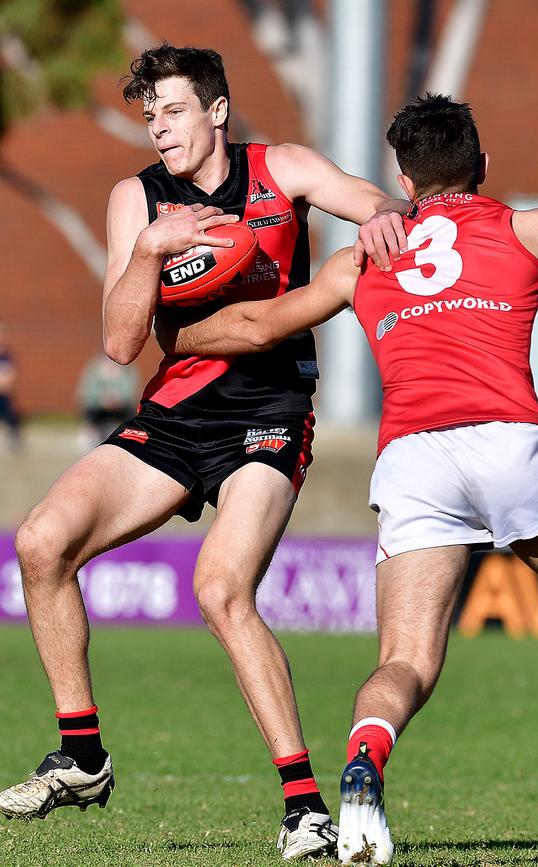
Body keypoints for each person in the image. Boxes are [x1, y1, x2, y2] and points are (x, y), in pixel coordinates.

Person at [153, 93, 538, 866]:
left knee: (406, 662)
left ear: (405, 182)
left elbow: (256, 326)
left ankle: (364, 762)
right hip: (507, 441)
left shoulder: (361, 261)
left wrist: (172, 329)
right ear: (482, 168)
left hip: (414, 460)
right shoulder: (531, 225)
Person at [0, 44, 409, 860]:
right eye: (150, 114)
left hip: (270, 413)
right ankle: (82, 756)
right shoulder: (136, 199)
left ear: (217, 110)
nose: (160, 127)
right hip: (177, 413)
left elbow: (361, 198)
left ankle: (304, 808)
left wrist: (378, 212)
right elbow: (119, 345)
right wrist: (152, 248)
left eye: (175, 109)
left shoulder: (279, 168)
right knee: (41, 543)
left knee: (221, 587)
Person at [76, 353, 139, 449]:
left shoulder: (127, 371)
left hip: (121, 408)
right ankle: (90, 436)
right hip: (98, 408)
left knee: (131, 414)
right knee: (91, 412)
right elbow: (86, 392)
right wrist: (101, 399)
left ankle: (129, 440)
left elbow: (130, 392)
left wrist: (118, 399)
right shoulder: (94, 370)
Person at [0, 322, 21, 450]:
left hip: (3, 395)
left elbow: (10, 375)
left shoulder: (7, 357)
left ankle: (14, 440)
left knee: (11, 416)